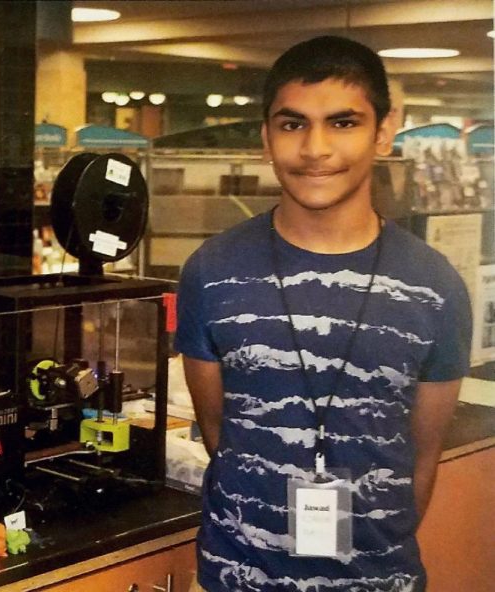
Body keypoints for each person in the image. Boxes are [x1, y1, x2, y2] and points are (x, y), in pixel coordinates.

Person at [175, 36, 472, 592]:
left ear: (383, 133)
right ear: (266, 136)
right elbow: (221, 432)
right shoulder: (211, 271)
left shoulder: (435, 287)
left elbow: (421, 456)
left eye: (342, 123)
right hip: (236, 577)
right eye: (292, 125)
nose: (315, 148)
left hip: (377, 581)